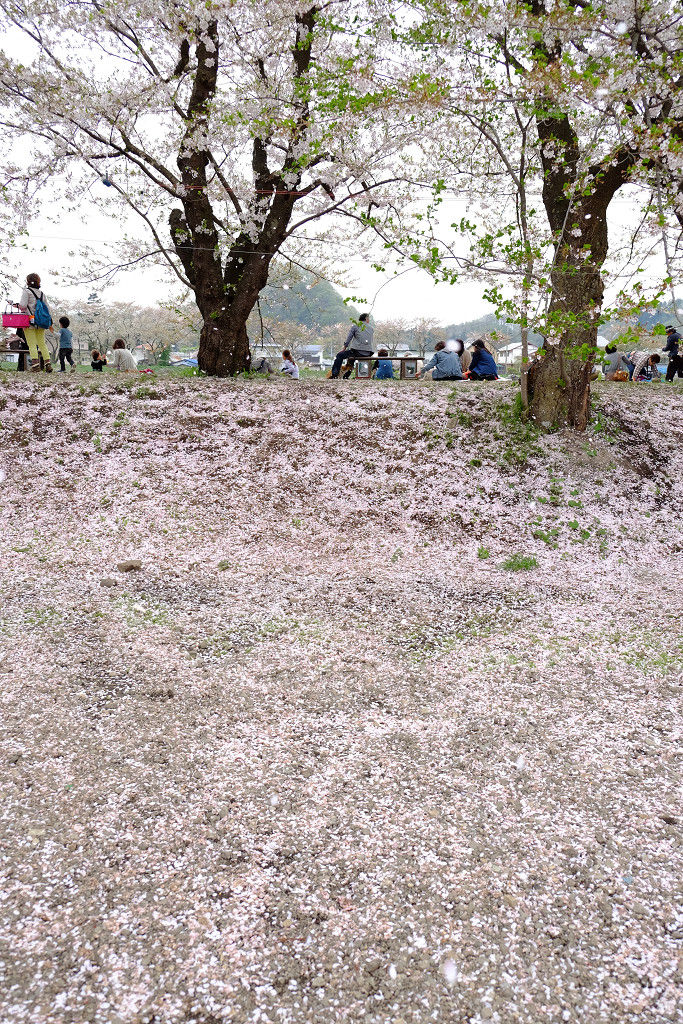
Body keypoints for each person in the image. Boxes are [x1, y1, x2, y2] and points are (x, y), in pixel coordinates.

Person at [15, 273, 53, 372]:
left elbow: (23, 305)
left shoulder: (26, 291)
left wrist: (17, 305)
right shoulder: (42, 293)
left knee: (31, 344)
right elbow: (47, 308)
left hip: (29, 321)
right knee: (42, 343)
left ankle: (35, 365)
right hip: (41, 322)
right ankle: (48, 364)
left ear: (28, 281)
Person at [329, 313, 374, 379]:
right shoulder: (371, 328)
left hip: (357, 352)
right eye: (368, 319)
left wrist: (344, 347)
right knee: (351, 357)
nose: (369, 320)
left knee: (340, 355)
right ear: (366, 319)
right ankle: (346, 376)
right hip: (368, 353)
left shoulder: (355, 326)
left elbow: (349, 338)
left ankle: (335, 374)